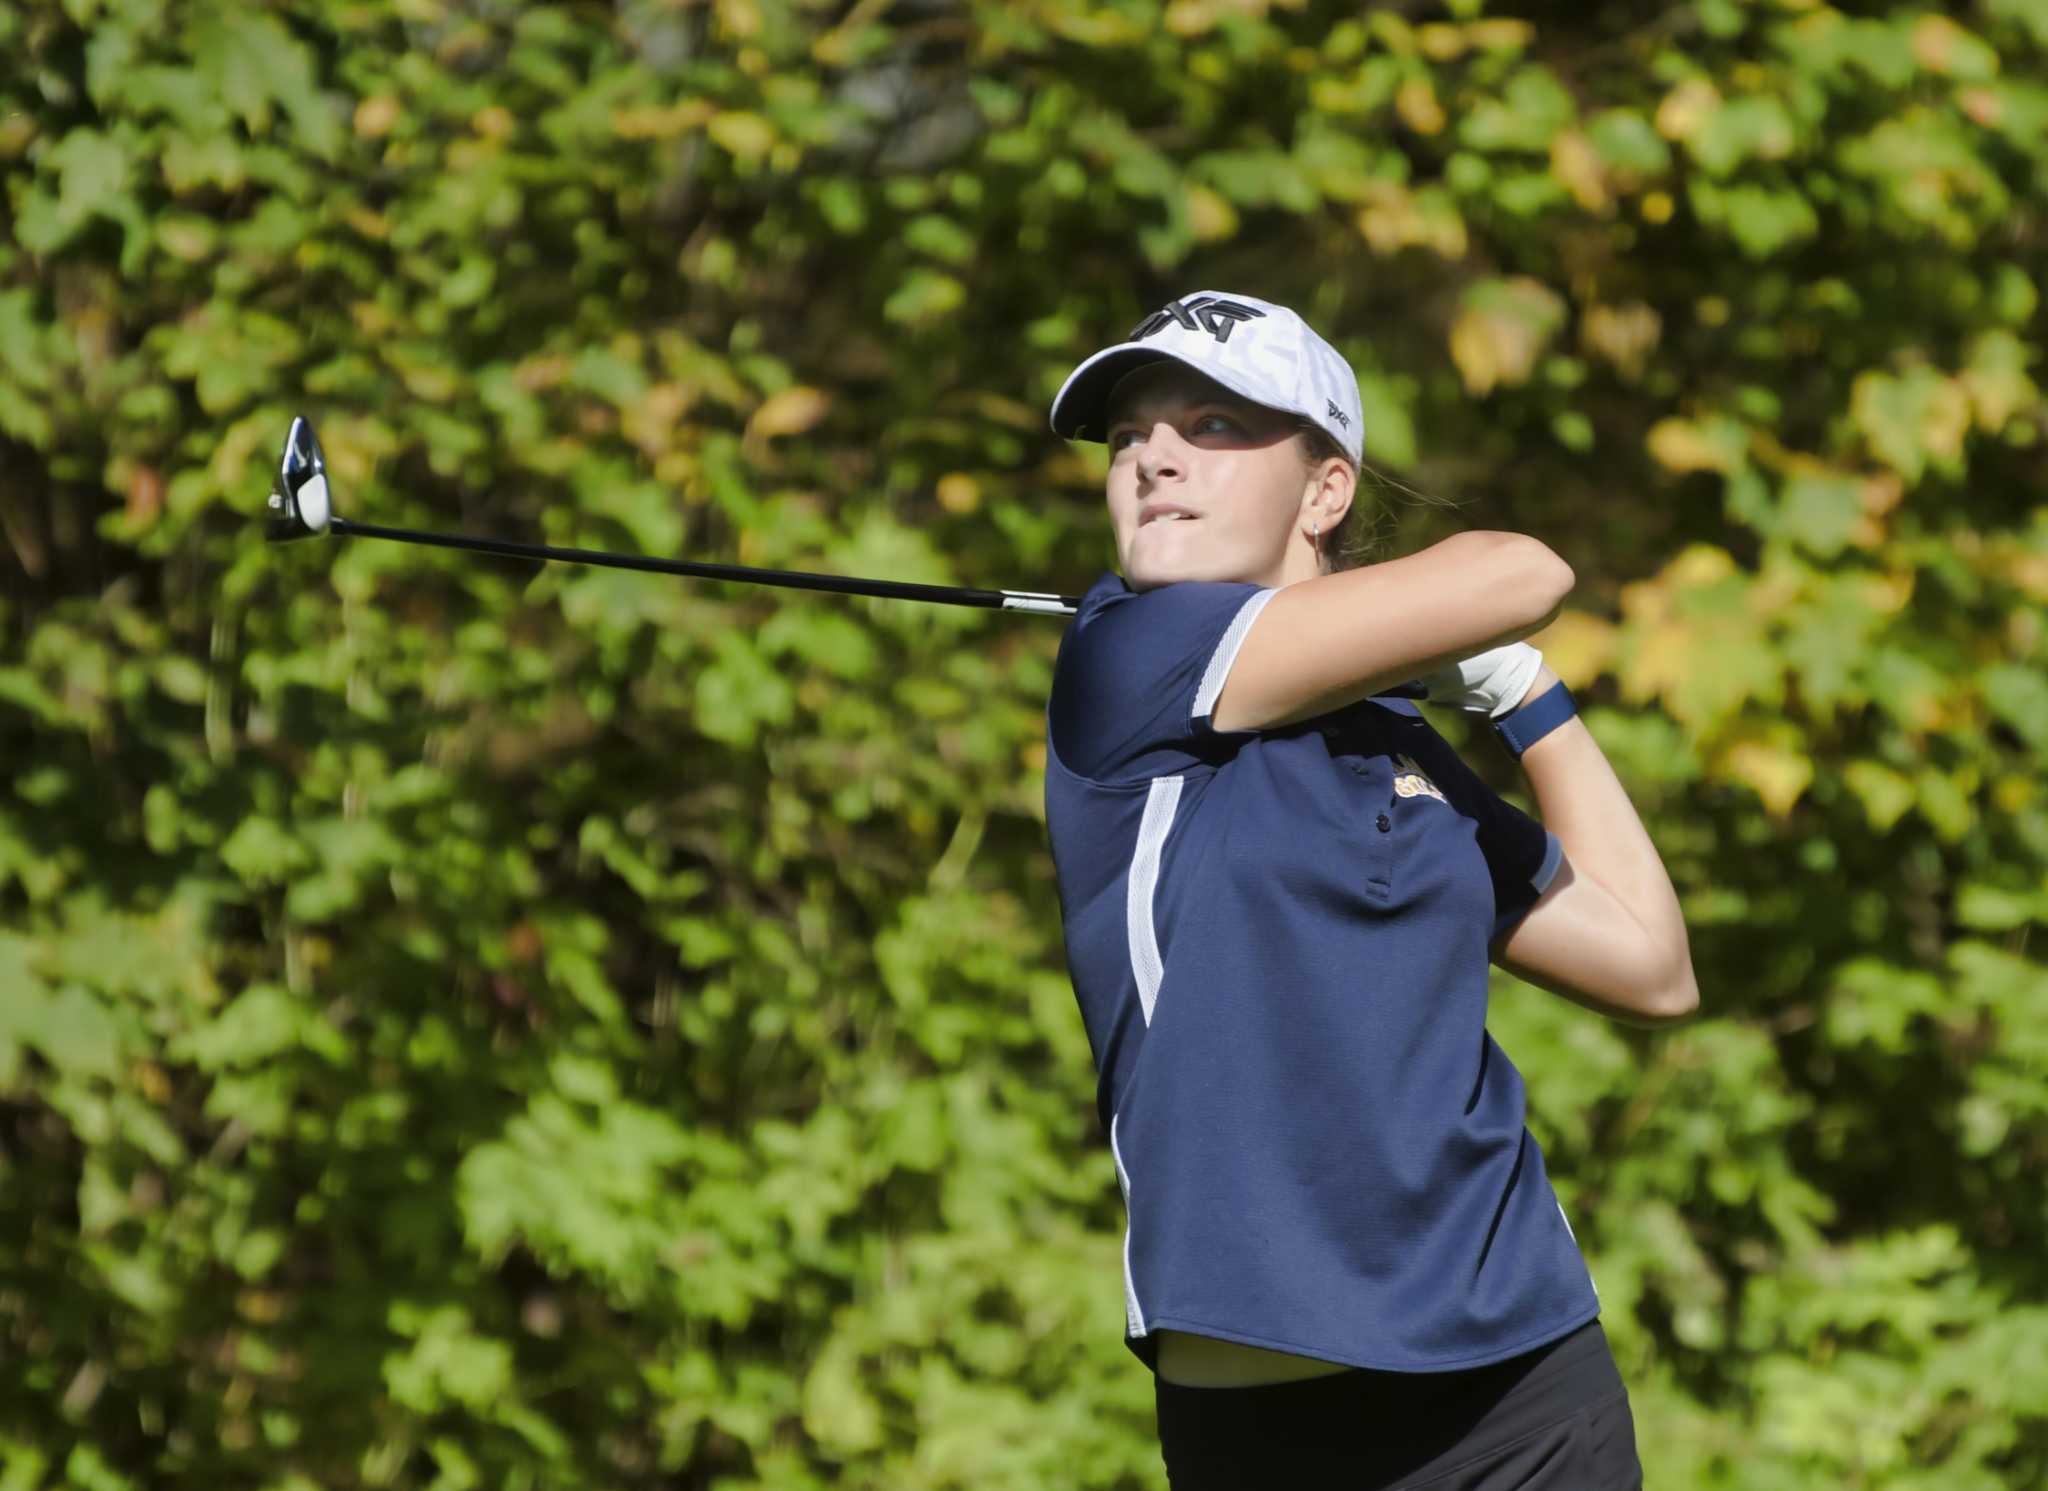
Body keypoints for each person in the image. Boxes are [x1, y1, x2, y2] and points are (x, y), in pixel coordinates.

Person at [1041, 292, 1698, 1488]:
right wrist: (1459, 628)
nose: (1154, 461)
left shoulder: (1388, 742)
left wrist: (1524, 697)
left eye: (1210, 425)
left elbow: (1649, 964)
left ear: (1324, 490)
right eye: (1131, 436)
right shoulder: (1126, 655)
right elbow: (1516, 567)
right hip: (1268, 1418)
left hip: (1522, 1382)